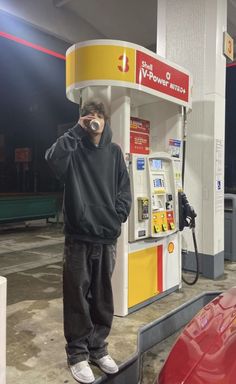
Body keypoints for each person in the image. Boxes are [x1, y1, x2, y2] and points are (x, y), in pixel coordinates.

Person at [45, 100, 132, 383]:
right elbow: (51, 159)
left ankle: (98, 348)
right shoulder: (73, 150)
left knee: (103, 298)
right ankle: (78, 354)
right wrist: (75, 132)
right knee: (77, 298)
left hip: (106, 238)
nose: (92, 120)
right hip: (78, 237)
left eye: (97, 116)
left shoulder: (115, 153)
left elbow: (125, 192)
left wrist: (115, 216)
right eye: (87, 116)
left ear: (106, 120)